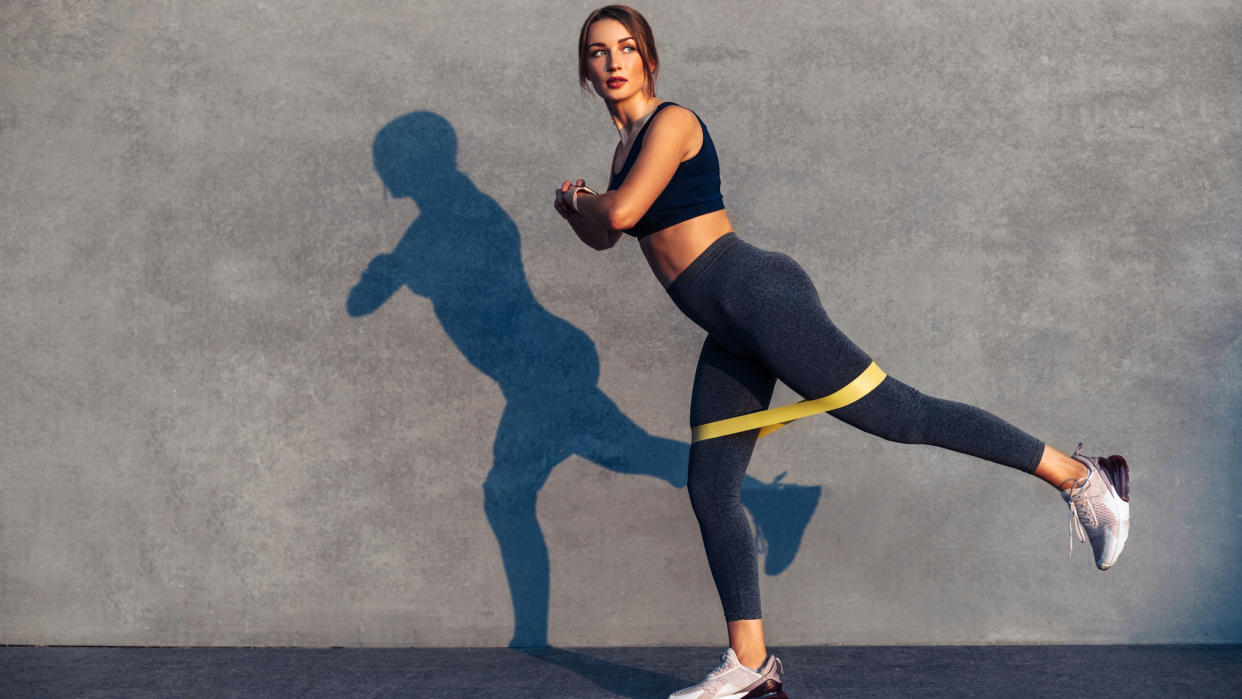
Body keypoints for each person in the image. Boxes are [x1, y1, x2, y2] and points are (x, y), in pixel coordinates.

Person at [553, 6, 1131, 698]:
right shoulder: (624, 152)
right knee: (710, 488)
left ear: (650, 58)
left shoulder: (672, 123)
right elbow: (606, 234)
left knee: (900, 415)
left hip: (758, 295)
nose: (613, 62)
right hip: (730, 323)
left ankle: (1083, 477)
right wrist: (576, 211)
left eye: (625, 48)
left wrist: (584, 199)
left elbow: (615, 215)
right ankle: (751, 665)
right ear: (586, 71)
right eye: (597, 52)